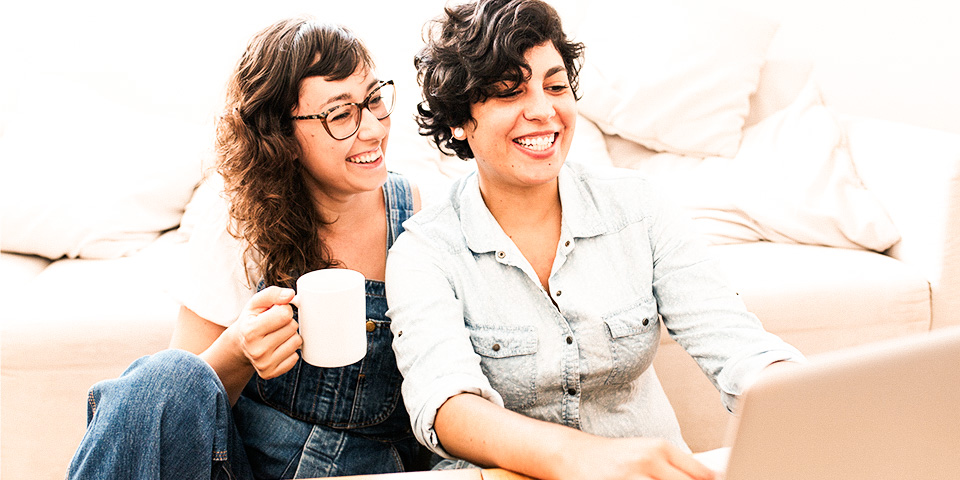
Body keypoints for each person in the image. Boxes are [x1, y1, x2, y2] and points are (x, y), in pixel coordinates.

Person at [384, 1, 805, 479]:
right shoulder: (424, 250)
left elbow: (734, 341)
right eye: (509, 92)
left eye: (556, 85)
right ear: (460, 120)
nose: (543, 111)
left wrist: (799, 395)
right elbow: (448, 406)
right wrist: (583, 457)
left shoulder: (639, 207)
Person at [67, 17, 428, 479]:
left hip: (368, 470)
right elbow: (181, 407)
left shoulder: (416, 215)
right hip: (243, 469)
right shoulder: (240, 222)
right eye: (341, 115)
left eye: (375, 100)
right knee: (164, 377)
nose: (374, 129)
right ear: (282, 136)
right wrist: (239, 348)